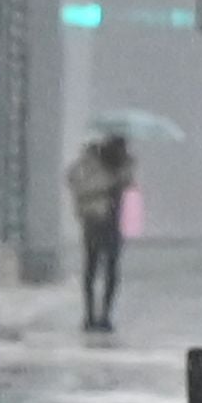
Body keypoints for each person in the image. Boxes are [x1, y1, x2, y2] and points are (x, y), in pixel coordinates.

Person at [66, 121, 136, 335]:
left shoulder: (123, 164)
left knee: (111, 270)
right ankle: (89, 315)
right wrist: (108, 185)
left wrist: (126, 172)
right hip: (95, 219)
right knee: (92, 267)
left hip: (114, 221)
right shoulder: (90, 162)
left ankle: (105, 314)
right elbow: (76, 180)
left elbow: (128, 187)